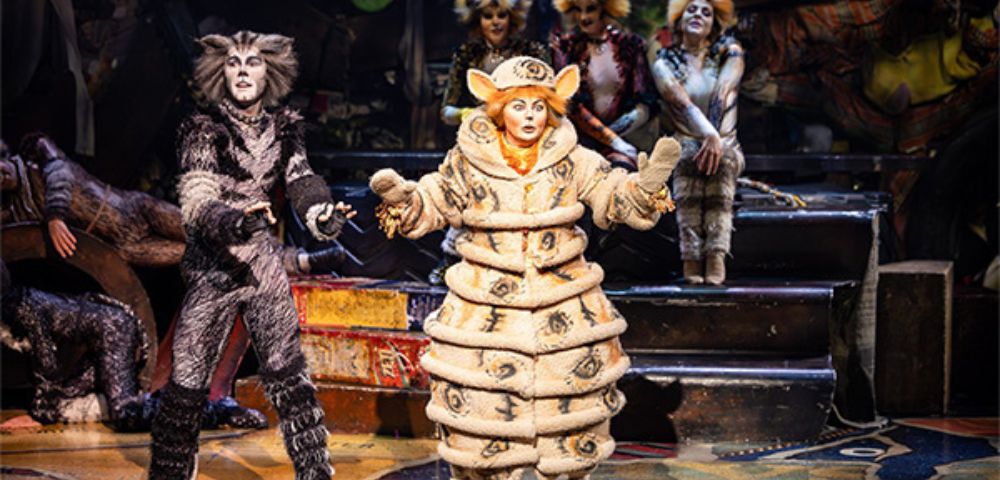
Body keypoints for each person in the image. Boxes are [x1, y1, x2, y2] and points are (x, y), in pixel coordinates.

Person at [370, 56, 679, 480]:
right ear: (498, 109)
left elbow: (609, 193)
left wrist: (642, 190)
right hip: (487, 303)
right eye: (519, 106)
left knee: (569, 418)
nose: (530, 115)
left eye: (538, 106)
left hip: (561, 300)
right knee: (482, 417)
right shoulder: (469, 159)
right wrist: (406, 202)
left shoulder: (573, 157)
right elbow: (436, 197)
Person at [149, 31, 354, 480]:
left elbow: (302, 180)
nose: (243, 71)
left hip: (261, 263)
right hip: (213, 266)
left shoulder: (286, 127)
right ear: (220, 73)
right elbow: (198, 200)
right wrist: (236, 221)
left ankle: (315, 471)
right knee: (187, 379)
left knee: (287, 370)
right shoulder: (202, 128)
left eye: (254, 63)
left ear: (271, 72)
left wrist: (323, 217)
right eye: (234, 63)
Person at [434, 0, 550, 285]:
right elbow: (446, 111)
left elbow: (551, 101)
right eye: (488, 16)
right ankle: (452, 258)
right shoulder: (467, 54)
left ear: (513, 19)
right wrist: (473, 114)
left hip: (526, 142)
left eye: (502, 15)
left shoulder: (531, 53)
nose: (496, 22)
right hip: (482, 145)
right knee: (469, 190)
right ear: (478, 19)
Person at [651, 0, 743, 285]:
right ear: (678, 19)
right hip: (686, 142)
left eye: (706, 11)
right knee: (687, 157)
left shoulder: (730, 51)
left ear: (714, 23)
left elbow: (723, 93)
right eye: (691, 9)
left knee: (722, 160)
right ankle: (691, 256)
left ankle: (716, 254)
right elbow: (681, 103)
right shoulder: (664, 62)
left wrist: (715, 138)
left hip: (726, 143)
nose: (698, 15)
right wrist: (708, 136)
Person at [0, 135, 186, 267]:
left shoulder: (36, 150)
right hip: (127, 247)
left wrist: (55, 215)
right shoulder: (17, 210)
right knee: (197, 254)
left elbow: (59, 172)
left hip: (134, 207)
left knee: (202, 228)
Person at [551, 0, 658, 169]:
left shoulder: (630, 45)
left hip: (627, 141)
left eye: (591, 9)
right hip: (579, 143)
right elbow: (570, 104)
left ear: (606, 9)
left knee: (622, 174)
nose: (584, 17)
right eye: (578, 10)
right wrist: (612, 140)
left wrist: (617, 140)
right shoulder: (567, 47)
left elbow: (645, 102)